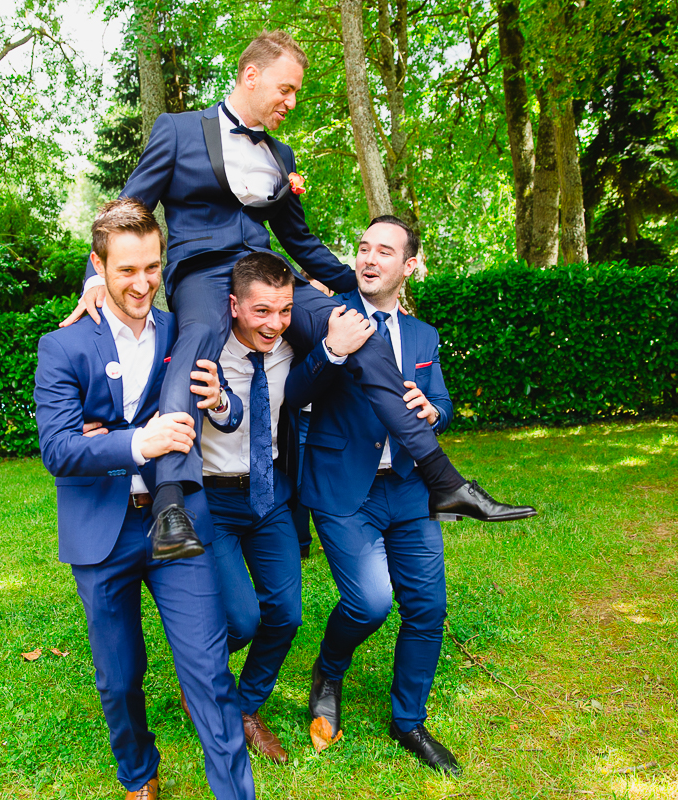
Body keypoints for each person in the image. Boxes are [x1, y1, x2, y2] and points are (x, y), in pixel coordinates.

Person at [62, 30, 534, 561]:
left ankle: (444, 480)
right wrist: (94, 279)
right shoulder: (178, 130)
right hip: (201, 271)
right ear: (251, 75)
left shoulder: (281, 155)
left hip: (268, 271)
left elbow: (300, 242)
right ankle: (170, 503)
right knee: (195, 343)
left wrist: (362, 282)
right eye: (285, 90)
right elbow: (128, 209)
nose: (291, 102)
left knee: (358, 331)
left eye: (295, 93)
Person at [34, 199, 254, 800]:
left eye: (152, 268)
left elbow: (229, 410)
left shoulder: (183, 331)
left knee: (209, 672)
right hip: (101, 533)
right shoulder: (62, 347)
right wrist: (137, 442)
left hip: (176, 519)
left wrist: (219, 401)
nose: (142, 283)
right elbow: (57, 448)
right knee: (119, 677)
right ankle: (138, 773)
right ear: (98, 266)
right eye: (127, 270)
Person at [287, 216, 468, 775]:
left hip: (409, 487)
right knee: (369, 603)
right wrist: (333, 351)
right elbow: (293, 393)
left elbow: (443, 403)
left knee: (427, 608)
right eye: (363, 248)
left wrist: (434, 411)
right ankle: (329, 669)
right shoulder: (326, 313)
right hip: (344, 486)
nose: (369, 258)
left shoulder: (423, 335)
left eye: (384, 251)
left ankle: (408, 720)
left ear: (409, 265)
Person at [199, 252, 374, 763]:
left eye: (284, 311)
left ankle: (246, 707)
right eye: (261, 311)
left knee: (286, 614)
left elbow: (343, 329)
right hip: (212, 496)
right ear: (234, 306)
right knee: (242, 620)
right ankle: (202, 677)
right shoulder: (203, 348)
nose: (274, 324)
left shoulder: (293, 348)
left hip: (271, 494)